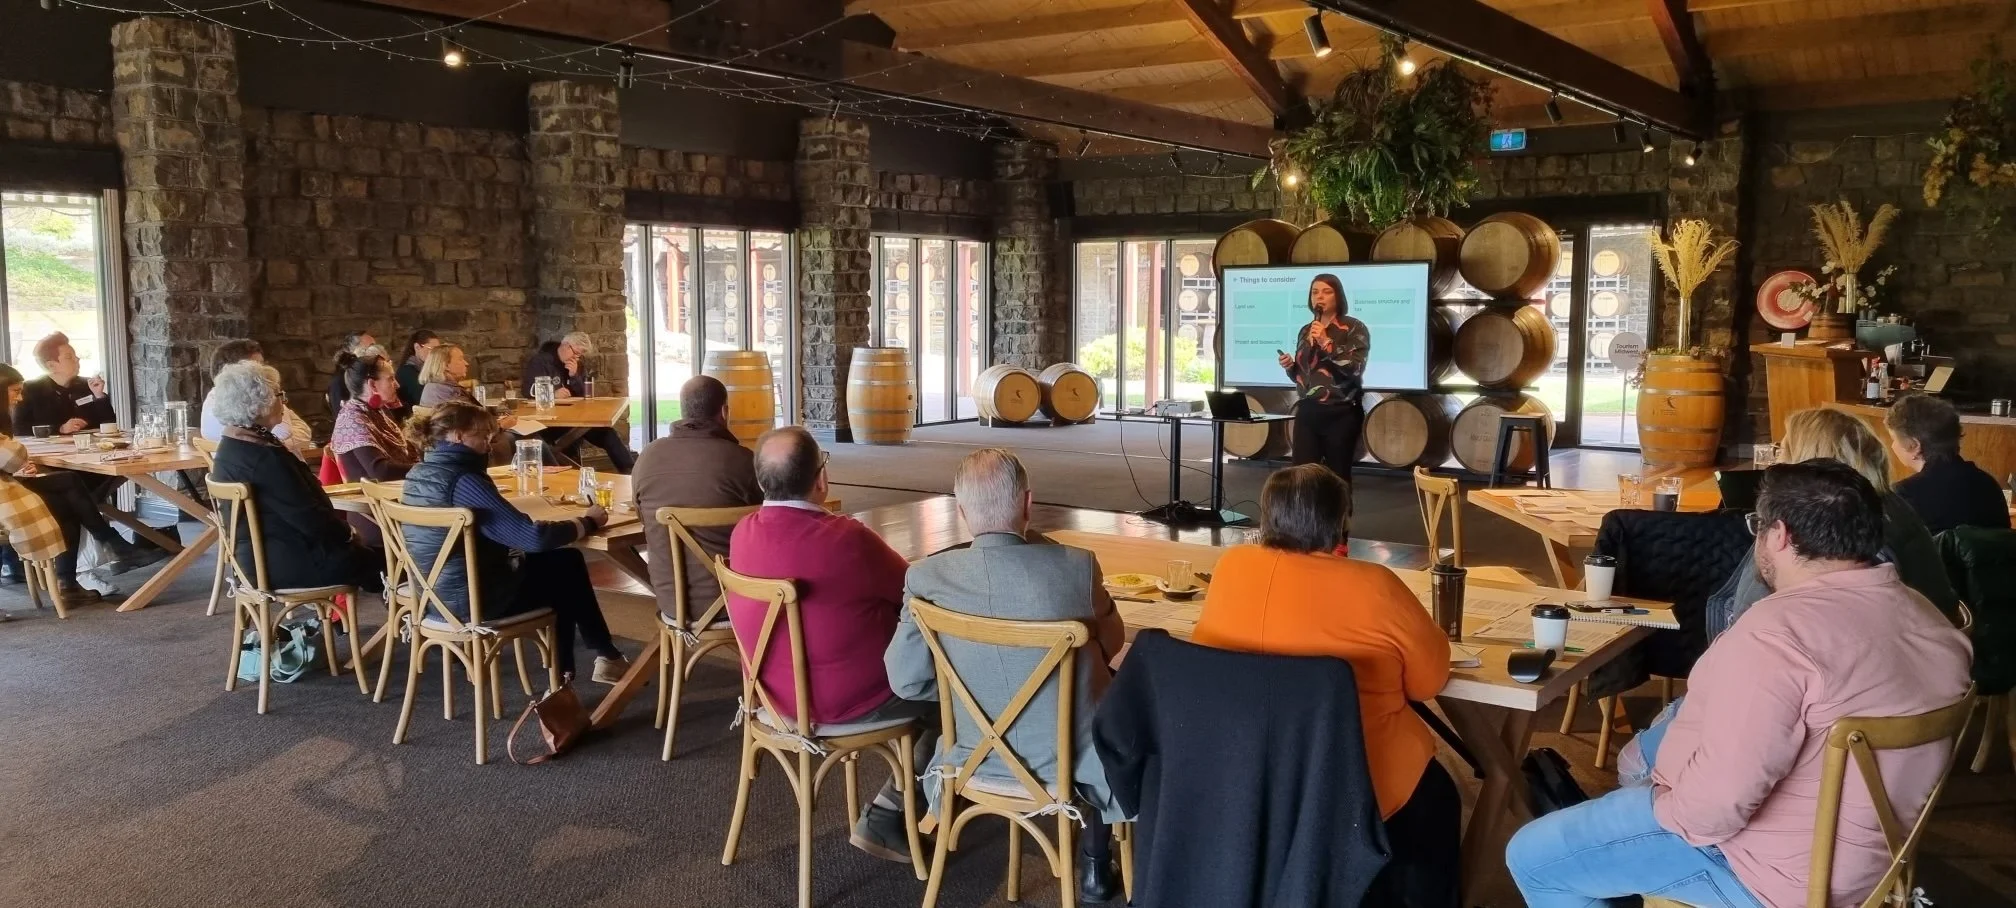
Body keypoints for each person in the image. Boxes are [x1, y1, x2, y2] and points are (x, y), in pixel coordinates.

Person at [1507, 460, 1972, 908]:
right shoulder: (1928, 618)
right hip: (1872, 866)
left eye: (1758, 528)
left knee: (1531, 856)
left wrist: (1657, 804)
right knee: (1639, 781)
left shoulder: (1777, 636)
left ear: (1780, 535)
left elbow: (1711, 812)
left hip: (1769, 875)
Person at [1191, 463, 1456, 907]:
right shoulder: (1376, 585)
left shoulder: (1232, 567)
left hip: (1245, 770)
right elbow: (1430, 682)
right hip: (1362, 781)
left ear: (1266, 517)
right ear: (1341, 521)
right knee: (1442, 799)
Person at [884, 448, 1129, 902]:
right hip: (1068, 763)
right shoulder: (1075, 566)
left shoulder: (927, 578)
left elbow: (903, 681)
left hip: (971, 758)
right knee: (1106, 702)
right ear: (1027, 503)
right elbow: (1112, 644)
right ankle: (1098, 864)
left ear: (961, 511)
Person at [727, 426, 926, 863]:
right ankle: (890, 813)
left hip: (771, 700)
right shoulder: (848, 539)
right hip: (847, 703)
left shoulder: (742, 533)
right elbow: (915, 592)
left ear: (761, 482)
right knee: (948, 699)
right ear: (822, 480)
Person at [398, 401, 628, 681]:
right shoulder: (465, 480)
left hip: (431, 599)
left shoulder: (416, 476)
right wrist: (587, 522)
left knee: (556, 564)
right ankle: (573, 675)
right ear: (457, 435)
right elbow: (532, 537)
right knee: (564, 569)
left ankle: (601, 659)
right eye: (482, 435)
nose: (490, 443)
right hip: (475, 602)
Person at [1707, 406, 1958, 641]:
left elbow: (1768, 626)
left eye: (1783, 452)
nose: (1775, 462)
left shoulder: (1844, 532)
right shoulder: (1887, 505)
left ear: (1812, 464)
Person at [205, 362, 381, 592]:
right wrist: (349, 533)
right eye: (279, 395)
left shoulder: (231, 447)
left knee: (377, 559)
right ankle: (412, 624)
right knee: (397, 563)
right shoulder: (264, 457)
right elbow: (309, 518)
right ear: (260, 404)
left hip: (257, 562)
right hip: (291, 563)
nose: (284, 402)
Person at [0, 364, 166, 600]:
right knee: (70, 493)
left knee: (69, 486)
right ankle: (106, 550)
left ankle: (81, 574)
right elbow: (14, 455)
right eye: (14, 391)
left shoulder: (82, 385)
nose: (19, 397)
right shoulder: (36, 392)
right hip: (5, 496)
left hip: (10, 485)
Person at [632, 375, 760, 624]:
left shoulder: (648, 456)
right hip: (739, 599)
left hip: (672, 603)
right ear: (724, 411)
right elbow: (768, 526)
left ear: (683, 411)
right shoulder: (743, 461)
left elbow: (642, 519)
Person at [1276, 273, 1370, 486]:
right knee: (1301, 477)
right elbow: (1305, 376)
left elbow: (1355, 368)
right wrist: (1291, 367)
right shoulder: (1305, 330)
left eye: (1326, 292)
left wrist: (1326, 342)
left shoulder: (1354, 327)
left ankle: (1339, 519)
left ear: (1338, 296)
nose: (1319, 297)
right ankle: (1304, 519)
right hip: (1309, 411)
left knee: (1337, 479)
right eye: (1315, 292)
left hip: (1341, 412)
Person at [1885, 393, 2010, 534]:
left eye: (1893, 439)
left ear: (1914, 446)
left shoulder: (1905, 493)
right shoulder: (1988, 483)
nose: (1892, 446)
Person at [519, 332, 636, 473]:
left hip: (575, 419)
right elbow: (527, 391)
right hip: (551, 423)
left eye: (579, 356)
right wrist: (552, 394)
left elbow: (584, 395)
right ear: (566, 346)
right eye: (575, 353)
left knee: (607, 434)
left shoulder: (576, 364)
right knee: (565, 441)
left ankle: (631, 472)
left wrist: (574, 376)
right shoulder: (541, 361)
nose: (576, 358)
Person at [200, 339, 313, 458]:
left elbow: (305, 431)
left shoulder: (215, 399)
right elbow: (283, 433)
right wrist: (288, 442)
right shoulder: (236, 405)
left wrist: (285, 442)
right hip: (268, 472)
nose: (264, 373)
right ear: (235, 373)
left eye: (263, 366)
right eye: (256, 368)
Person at [13, 332, 116, 437]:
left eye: (75, 355)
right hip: (49, 450)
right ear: (51, 365)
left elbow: (110, 424)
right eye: (69, 357)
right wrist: (60, 429)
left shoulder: (88, 385)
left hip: (89, 447)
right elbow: (19, 429)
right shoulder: (30, 389)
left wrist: (100, 397)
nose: (77, 359)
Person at [327, 331, 377, 416]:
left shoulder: (370, 375)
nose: (376, 352)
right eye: (370, 347)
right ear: (353, 351)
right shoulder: (339, 381)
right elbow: (343, 419)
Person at [417, 343, 477, 408]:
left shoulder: (431, 387)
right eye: (460, 359)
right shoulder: (453, 393)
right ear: (445, 365)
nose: (466, 363)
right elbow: (478, 415)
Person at [395, 329, 440, 408]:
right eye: (433, 350)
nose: (437, 355)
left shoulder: (424, 370)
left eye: (438, 350)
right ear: (417, 347)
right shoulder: (407, 372)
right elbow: (423, 400)